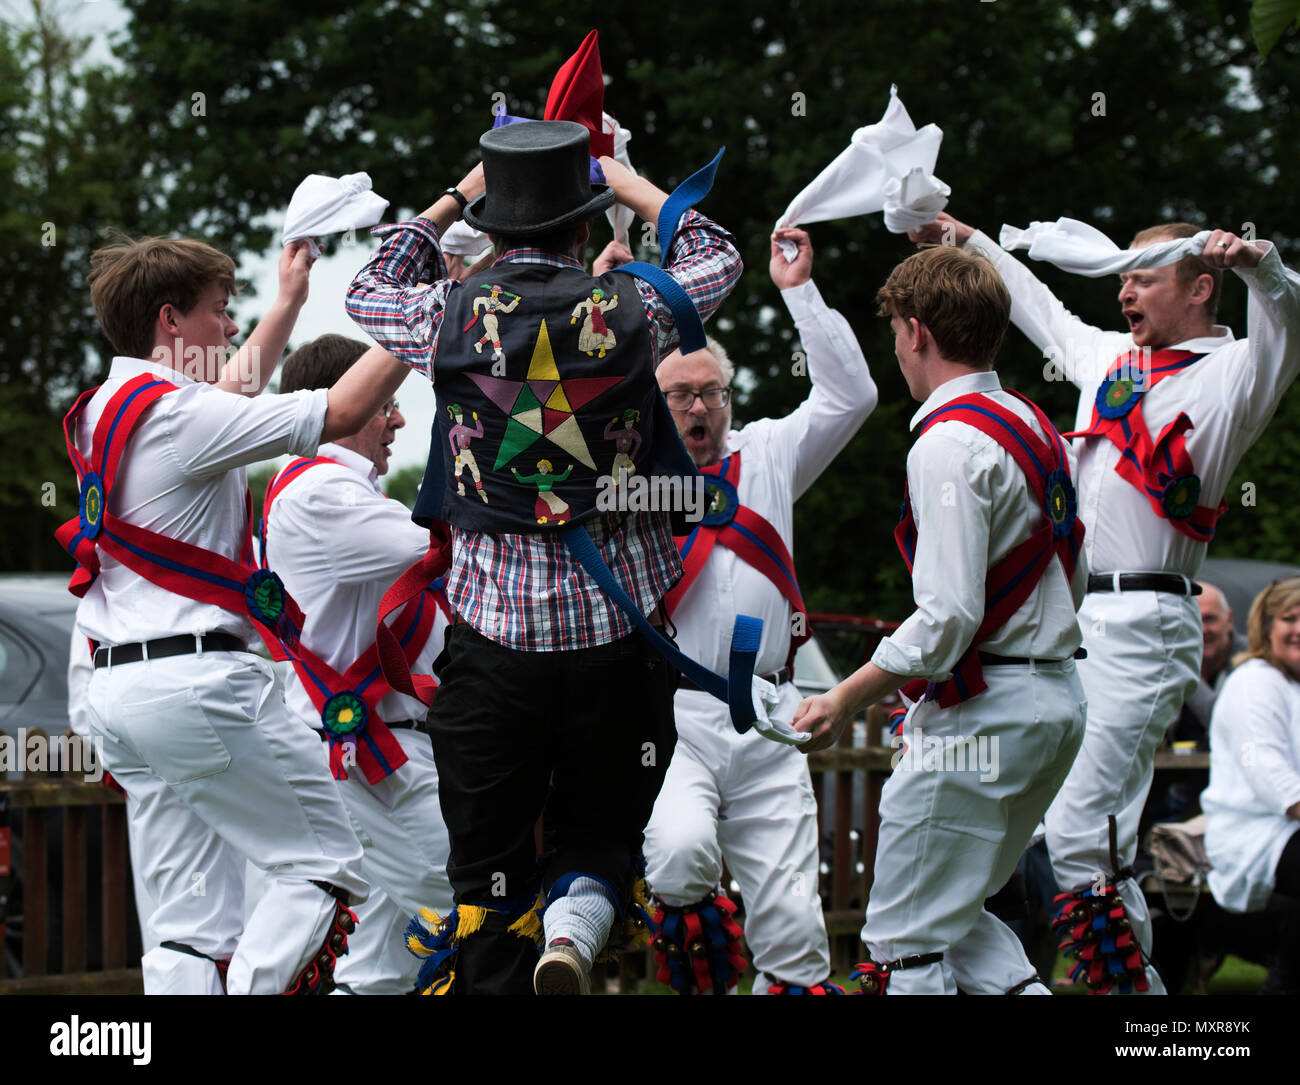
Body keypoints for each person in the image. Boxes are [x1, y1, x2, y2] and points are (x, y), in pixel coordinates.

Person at [346, 119, 741, 995]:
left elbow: (368, 287)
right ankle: (574, 924)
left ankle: (501, 965)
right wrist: (626, 179)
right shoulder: (637, 309)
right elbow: (717, 253)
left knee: (485, 869)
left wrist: (457, 192)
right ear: (581, 224)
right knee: (602, 827)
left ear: (490, 229)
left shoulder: (446, 315)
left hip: (495, 652)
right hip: (619, 644)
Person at [911, 209, 1300, 992]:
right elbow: (1037, 307)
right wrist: (967, 241)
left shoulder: (1233, 376)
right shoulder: (1111, 362)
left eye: (1142, 276)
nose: (1124, 289)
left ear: (1198, 288)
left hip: (1148, 622)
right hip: (1069, 620)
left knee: (1088, 831)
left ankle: (1135, 998)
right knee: (1047, 821)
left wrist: (1260, 267)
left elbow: (1291, 319)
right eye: (1119, 274)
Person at [61, 234, 410, 994]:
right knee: (325, 864)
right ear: (170, 322)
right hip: (198, 684)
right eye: (220, 313)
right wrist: (432, 312)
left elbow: (232, 388)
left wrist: (289, 297)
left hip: (118, 692)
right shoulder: (182, 420)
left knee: (188, 926)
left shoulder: (104, 411)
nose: (229, 330)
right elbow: (346, 405)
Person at [792, 245, 1089, 995]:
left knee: (901, 941)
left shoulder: (948, 442)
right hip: (1053, 701)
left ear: (916, 330)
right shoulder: (1031, 421)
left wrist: (842, 696)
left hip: (987, 715)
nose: (895, 345)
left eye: (893, 329)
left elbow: (948, 614)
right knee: (957, 922)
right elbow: (1072, 573)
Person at [637, 226, 877, 995]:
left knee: (797, 931)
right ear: (652, 403)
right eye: (681, 394)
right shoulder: (626, 484)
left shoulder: (768, 453)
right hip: (671, 717)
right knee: (677, 854)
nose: (701, 406)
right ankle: (703, 956)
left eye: (713, 392)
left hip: (769, 713)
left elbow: (853, 396)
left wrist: (798, 291)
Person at [261, 333, 454, 994]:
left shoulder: (353, 497)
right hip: (367, 754)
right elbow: (453, 551)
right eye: (387, 404)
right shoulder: (319, 495)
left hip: (386, 748)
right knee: (476, 900)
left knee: (378, 968)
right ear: (348, 402)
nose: (399, 419)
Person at [1202, 577, 1300, 993]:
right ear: (1266, 626)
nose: (1299, 628)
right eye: (1290, 618)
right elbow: (1274, 781)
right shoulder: (1255, 681)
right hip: (1255, 836)